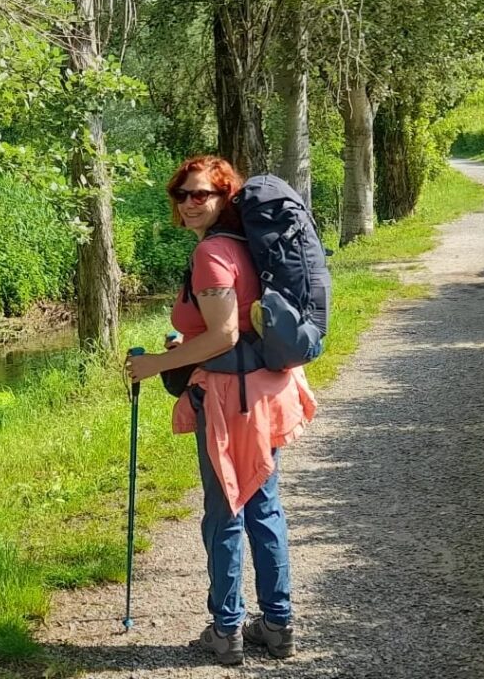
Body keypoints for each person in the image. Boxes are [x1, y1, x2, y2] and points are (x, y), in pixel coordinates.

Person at [125, 155, 316, 666]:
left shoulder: (212, 253)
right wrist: (183, 344)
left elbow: (223, 335)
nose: (189, 203)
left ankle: (227, 629)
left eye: (202, 194)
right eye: (182, 194)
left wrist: (157, 364)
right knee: (264, 506)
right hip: (266, 388)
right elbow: (238, 327)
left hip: (232, 398)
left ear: (225, 197)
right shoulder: (247, 247)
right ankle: (278, 627)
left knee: (226, 512)